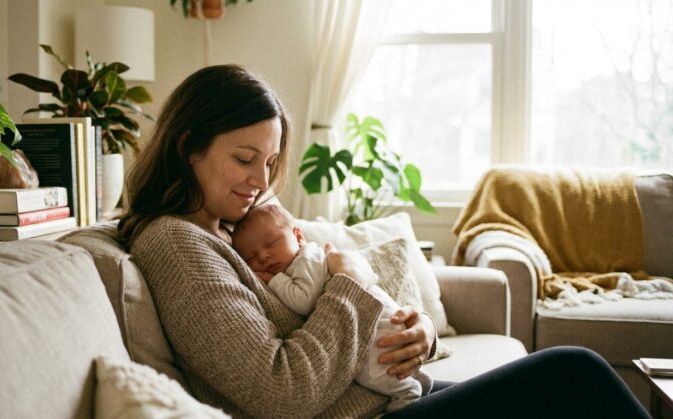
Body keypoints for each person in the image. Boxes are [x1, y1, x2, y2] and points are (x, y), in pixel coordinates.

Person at [118, 64, 650, 418]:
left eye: (271, 161)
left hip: (378, 399)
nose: (260, 179)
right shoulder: (176, 244)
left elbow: (319, 321)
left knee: (568, 385)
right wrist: (351, 284)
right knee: (572, 373)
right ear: (189, 146)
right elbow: (282, 392)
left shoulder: (231, 228)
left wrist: (418, 334)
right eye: (243, 158)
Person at [232, 204, 433, 412]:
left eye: (272, 243)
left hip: (375, 320)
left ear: (298, 235)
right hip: (377, 316)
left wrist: (272, 280)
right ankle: (419, 381)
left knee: (371, 370)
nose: (263, 256)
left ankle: (407, 391)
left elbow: (304, 301)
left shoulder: (306, 258)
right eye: (251, 258)